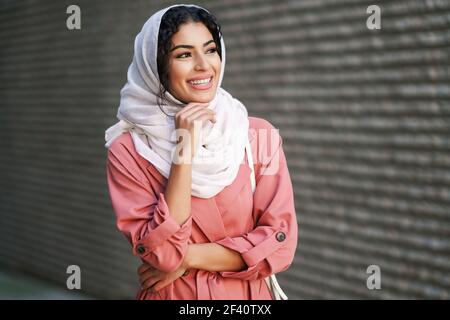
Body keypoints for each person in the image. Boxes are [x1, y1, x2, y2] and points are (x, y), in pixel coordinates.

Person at [105, 4, 298, 300]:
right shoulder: (129, 150)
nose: (203, 65)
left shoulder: (259, 136)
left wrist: (188, 258)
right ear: (156, 65)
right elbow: (164, 255)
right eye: (184, 54)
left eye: (210, 50)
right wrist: (184, 149)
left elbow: (281, 245)